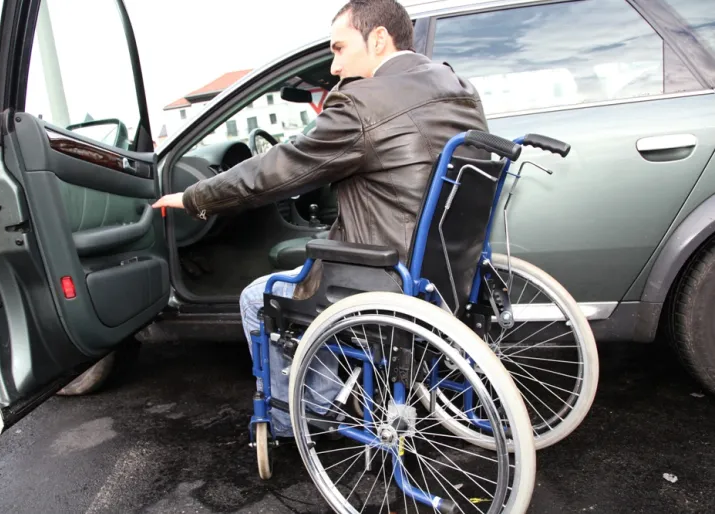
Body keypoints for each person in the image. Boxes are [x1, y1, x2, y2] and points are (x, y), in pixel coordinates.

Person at [153, 0, 490, 437]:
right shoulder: (456, 86)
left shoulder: (363, 102)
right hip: (446, 270)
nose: (334, 66)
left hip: (385, 273)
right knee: (309, 267)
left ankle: (300, 416)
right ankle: (324, 397)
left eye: (339, 48)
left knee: (260, 297)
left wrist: (195, 197)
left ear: (379, 39)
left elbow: (278, 169)